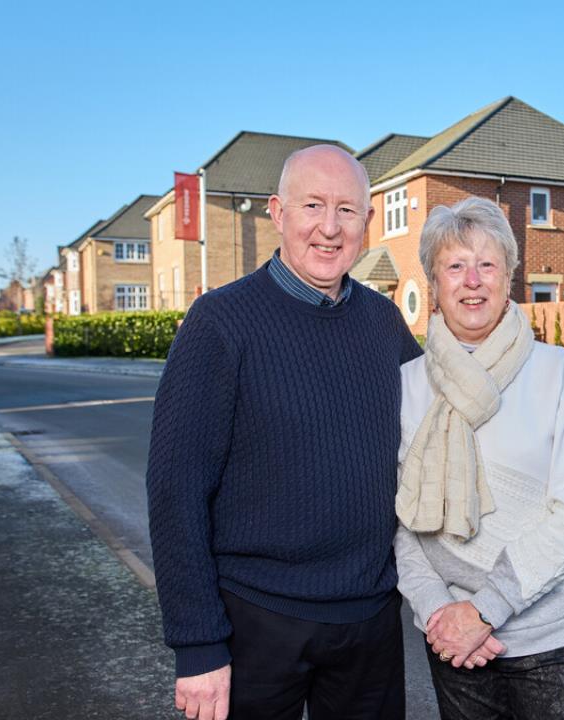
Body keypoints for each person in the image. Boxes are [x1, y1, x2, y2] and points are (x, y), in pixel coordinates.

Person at [145, 145, 421, 720]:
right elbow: (176, 489)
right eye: (313, 205)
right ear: (277, 211)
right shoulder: (220, 323)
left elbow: (436, 443)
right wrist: (197, 646)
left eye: (347, 210)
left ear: (368, 222)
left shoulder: (384, 323)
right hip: (255, 621)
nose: (329, 227)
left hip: (368, 621)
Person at [394, 197, 564, 719]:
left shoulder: (558, 374)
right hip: (451, 640)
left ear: (508, 278)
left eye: (486, 264)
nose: (472, 280)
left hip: (552, 642)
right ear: (434, 283)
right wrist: (439, 611)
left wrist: (485, 610)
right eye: (455, 266)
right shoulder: (407, 385)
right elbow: (400, 523)